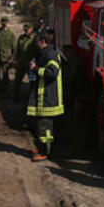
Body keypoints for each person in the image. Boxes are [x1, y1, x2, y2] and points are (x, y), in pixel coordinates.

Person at [27, 31, 64, 162]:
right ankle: (41, 148)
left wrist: (36, 69)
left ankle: (46, 152)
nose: (36, 44)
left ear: (43, 42)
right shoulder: (45, 54)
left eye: (37, 42)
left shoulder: (51, 55)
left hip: (49, 98)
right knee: (41, 125)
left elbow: (51, 73)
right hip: (44, 97)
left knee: (45, 127)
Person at [13, 23, 36, 102]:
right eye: (25, 29)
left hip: (30, 63)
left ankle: (32, 99)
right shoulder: (21, 38)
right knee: (17, 80)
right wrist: (15, 59)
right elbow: (18, 50)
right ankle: (15, 96)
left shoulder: (35, 38)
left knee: (32, 81)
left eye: (27, 29)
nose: (26, 31)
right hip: (21, 63)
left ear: (31, 29)